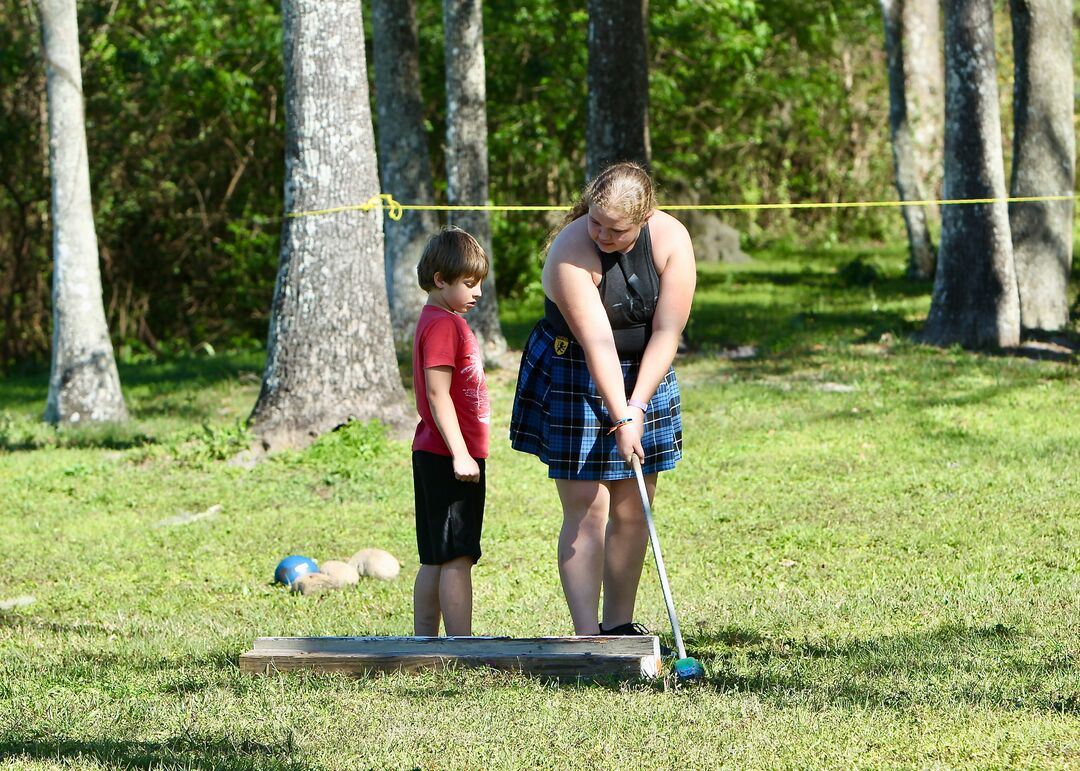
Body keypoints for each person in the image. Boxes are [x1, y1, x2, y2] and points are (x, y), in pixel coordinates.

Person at [510, 161, 696, 639]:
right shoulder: (571, 251)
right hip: (575, 368)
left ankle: (619, 627)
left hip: (644, 376)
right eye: (595, 221)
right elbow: (597, 344)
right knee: (587, 506)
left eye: (616, 229)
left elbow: (667, 331)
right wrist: (621, 416)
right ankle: (587, 637)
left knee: (635, 506)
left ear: (644, 217)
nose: (601, 234)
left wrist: (636, 408)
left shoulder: (672, 240)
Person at [411, 227, 491, 636]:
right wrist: (461, 453)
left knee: (436, 556)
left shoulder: (438, 319)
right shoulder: (446, 325)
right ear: (441, 280)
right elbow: (438, 392)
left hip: (434, 452)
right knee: (457, 556)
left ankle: (423, 642)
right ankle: (462, 645)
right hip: (449, 456)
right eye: (469, 283)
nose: (477, 292)